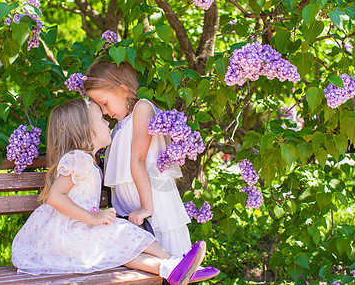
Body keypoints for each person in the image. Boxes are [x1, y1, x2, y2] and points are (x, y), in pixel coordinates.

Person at [12, 99, 206, 285]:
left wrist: (93, 219)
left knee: (120, 243)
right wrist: (93, 218)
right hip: (66, 235)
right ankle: (177, 262)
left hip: (79, 232)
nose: (107, 121)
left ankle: (169, 267)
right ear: (86, 130)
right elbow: (55, 197)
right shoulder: (78, 159)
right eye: (101, 119)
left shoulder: (90, 162)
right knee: (121, 232)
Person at [84, 60, 220, 282]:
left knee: (170, 254)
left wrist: (146, 207)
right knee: (153, 269)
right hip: (134, 211)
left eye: (105, 103)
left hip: (153, 205)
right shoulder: (120, 124)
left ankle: (187, 270)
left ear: (122, 90)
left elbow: (138, 160)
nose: (105, 112)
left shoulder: (142, 108)